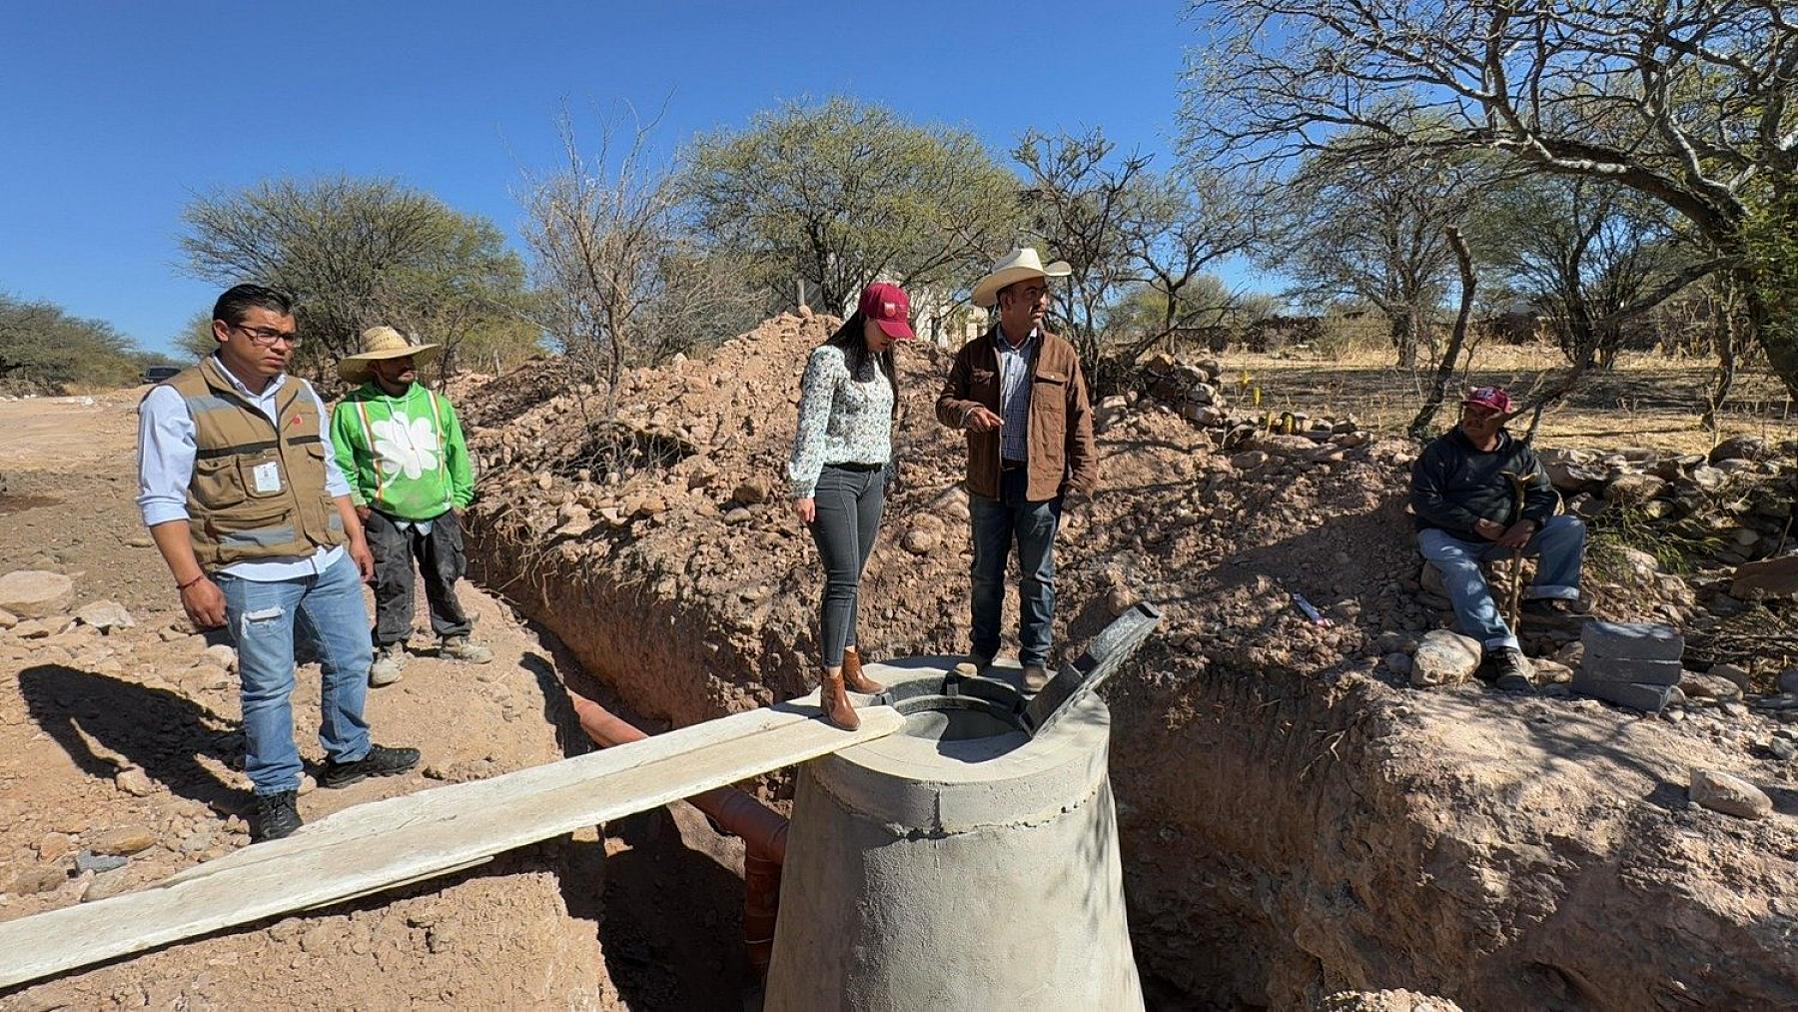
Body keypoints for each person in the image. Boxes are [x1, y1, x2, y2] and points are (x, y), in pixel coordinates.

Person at [137, 285, 419, 842]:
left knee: (351, 656)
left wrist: (354, 537)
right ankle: (274, 788)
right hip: (251, 570)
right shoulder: (176, 401)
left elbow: (329, 473)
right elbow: (161, 499)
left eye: (288, 336)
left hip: (325, 558)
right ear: (223, 331)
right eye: (266, 333)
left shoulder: (301, 393)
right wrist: (191, 580)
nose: (281, 346)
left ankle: (348, 754)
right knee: (268, 685)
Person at [936, 248, 1099, 691]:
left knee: (1038, 575)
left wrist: (1083, 479)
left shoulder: (1061, 354)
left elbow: (1079, 419)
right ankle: (982, 651)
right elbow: (944, 404)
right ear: (1006, 300)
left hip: (1040, 484)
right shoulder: (974, 354)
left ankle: (1035, 659)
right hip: (988, 483)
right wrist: (967, 411)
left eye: (1044, 292)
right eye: (1032, 293)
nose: (1043, 301)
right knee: (986, 574)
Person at [331, 326, 490, 687]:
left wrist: (460, 499)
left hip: (439, 509)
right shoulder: (352, 410)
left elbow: (457, 453)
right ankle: (391, 645)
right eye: (394, 360)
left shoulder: (436, 404)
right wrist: (358, 502)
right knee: (392, 579)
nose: (406, 364)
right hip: (384, 513)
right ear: (374, 367)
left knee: (445, 572)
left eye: (407, 357)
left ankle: (453, 637)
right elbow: (339, 463)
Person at [787, 283, 916, 730]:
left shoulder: (880, 361)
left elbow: (881, 425)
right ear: (865, 317)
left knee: (854, 575)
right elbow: (811, 425)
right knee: (841, 578)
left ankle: (851, 659)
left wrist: (886, 472)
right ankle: (831, 684)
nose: (892, 338)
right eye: (886, 329)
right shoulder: (828, 360)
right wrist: (803, 486)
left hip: (871, 480)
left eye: (897, 331)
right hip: (834, 479)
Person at [1411, 386, 1588, 688]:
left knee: (1569, 528)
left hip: (1502, 538)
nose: (1474, 418)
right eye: (1470, 411)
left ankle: (1544, 603)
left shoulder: (1517, 454)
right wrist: (1474, 523)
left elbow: (1543, 493)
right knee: (1462, 570)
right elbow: (1424, 500)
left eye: (1485, 414)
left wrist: (1529, 523)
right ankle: (1499, 648)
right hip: (1447, 536)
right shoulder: (1441, 452)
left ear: (1503, 418)